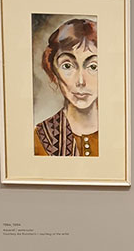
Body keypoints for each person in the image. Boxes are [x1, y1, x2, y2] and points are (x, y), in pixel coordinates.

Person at [34, 18, 100, 156]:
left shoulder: (122, 134)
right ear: (53, 71)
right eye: (67, 66)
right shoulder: (39, 138)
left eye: (93, 67)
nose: (81, 81)